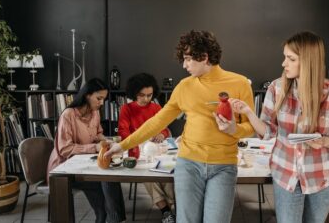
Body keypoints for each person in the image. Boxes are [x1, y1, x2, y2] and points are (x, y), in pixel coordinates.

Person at [105, 30, 255, 223]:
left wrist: (234, 129)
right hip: (189, 164)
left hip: (223, 166)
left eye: (187, 59)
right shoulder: (184, 86)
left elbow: (250, 127)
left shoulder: (240, 83)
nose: (184, 65)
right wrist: (122, 146)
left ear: (204, 57)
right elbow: (157, 121)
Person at [220, 31, 329, 223]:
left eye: (290, 59)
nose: (284, 64)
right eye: (285, 57)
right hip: (285, 174)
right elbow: (268, 131)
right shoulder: (276, 88)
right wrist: (248, 112)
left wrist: (323, 141)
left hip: (322, 176)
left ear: (308, 61)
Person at [47, 78, 126, 223]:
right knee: (107, 179)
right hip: (63, 169)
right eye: (99, 98)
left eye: (104, 99)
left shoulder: (95, 112)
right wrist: (94, 147)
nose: (102, 103)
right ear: (87, 95)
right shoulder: (68, 115)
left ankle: (110, 218)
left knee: (110, 176)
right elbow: (65, 149)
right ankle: (113, 219)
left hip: (83, 164)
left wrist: (108, 141)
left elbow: (97, 134)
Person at [118, 73, 175, 223]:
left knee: (167, 174)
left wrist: (162, 134)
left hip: (157, 149)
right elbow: (123, 132)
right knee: (148, 175)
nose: (146, 99)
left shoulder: (156, 107)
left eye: (149, 95)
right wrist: (137, 139)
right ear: (134, 93)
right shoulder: (126, 109)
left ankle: (169, 210)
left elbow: (164, 128)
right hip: (136, 149)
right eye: (142, 95)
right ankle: (166, 211)